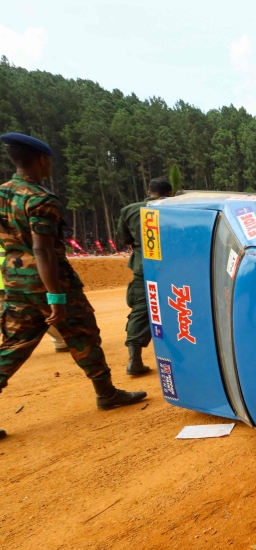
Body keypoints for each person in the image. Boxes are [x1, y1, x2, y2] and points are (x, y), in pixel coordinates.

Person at [0, 133, 145, 421]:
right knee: (83, 334)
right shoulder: (41, 199)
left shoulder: (2, 194)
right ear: (41, 160)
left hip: (15, 280)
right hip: (49, 280)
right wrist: (55, 298)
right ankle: (106, 394)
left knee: (13, 344)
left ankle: (107, 394)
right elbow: (43, 251)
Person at [116, 177, 173, 376]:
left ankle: (134, 360)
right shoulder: (174, 209)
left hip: (144, 267)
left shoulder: (129, 211)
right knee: (182, 308)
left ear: (149, 192)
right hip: (174, 268)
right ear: (170, 193)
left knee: (142, 309)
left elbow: (124, 239)